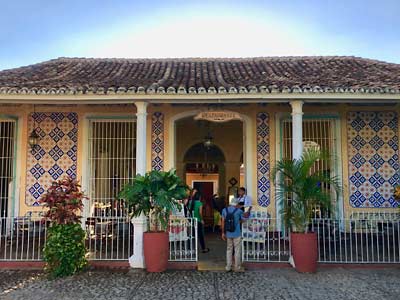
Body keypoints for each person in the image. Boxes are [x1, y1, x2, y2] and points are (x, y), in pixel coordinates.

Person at [221, 197, 246, 272]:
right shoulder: (239, 211)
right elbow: (243, 220)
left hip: (228, 233)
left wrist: (223, 232)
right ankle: (237, 267)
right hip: (237, 233)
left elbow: (223, 222)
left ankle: (228, 266)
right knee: (237, 250)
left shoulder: (224, 210)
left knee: (229, 249)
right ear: (237, 204)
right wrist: (238, 221)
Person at [190, 189, 210, 253]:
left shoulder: (190, 202)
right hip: (198, 220)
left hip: (191, 220)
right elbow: (200, 213)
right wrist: (202, 220)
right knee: (200, 235)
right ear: (199, 197)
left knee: (192, 235)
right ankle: (203, 248)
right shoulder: (199, 203)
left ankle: (192, 249)